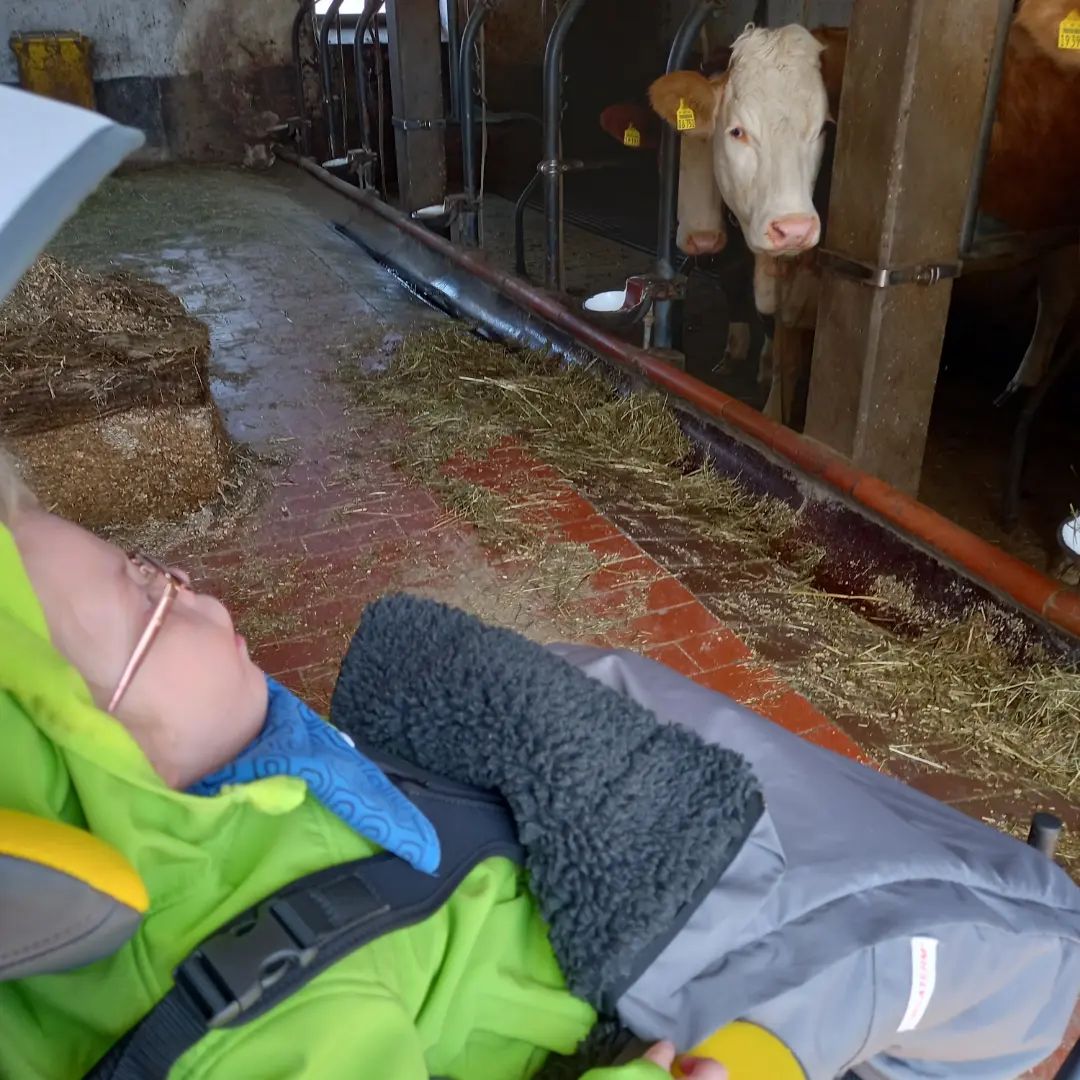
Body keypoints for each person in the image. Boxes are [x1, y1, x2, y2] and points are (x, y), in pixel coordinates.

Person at [1, 446, 1079, 1080]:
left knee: (604, 677)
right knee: (969, 948)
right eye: (145, 593)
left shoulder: (214, 814)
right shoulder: (260, 1031)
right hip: (635, 989)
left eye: (152, 562)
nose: (187, 586)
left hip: (531, 875)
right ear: (92, 759)